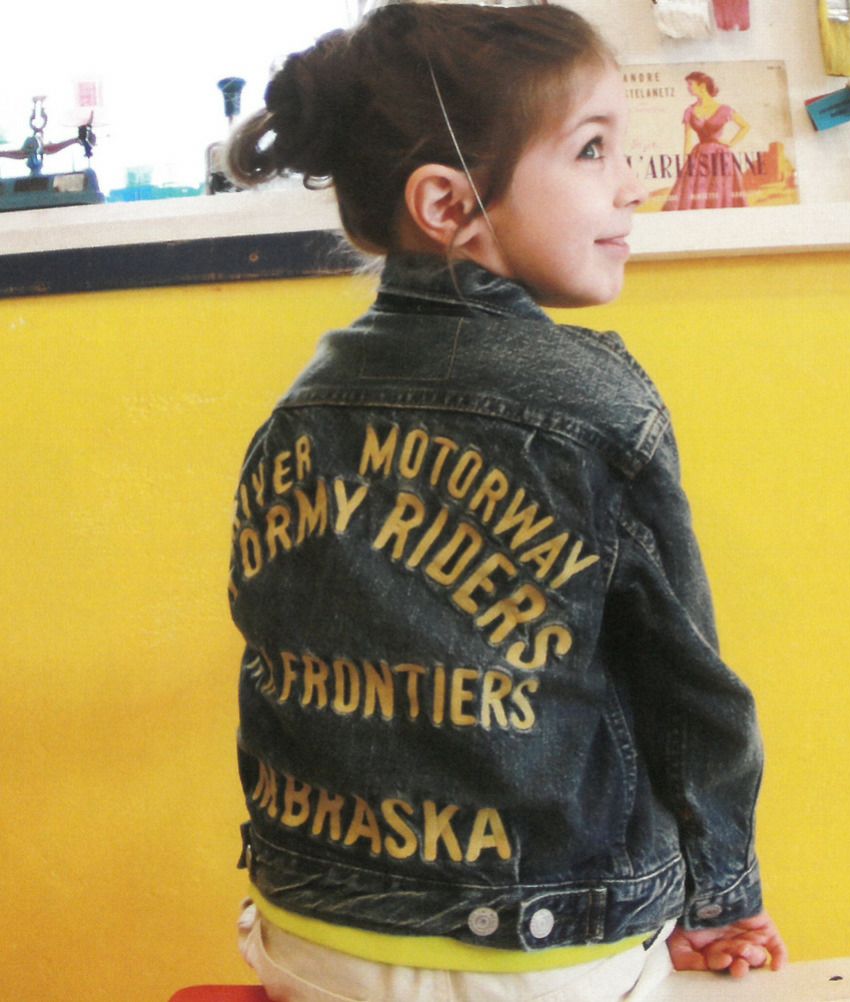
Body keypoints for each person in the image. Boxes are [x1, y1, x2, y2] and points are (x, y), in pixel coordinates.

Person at [225, 4, 786, 1000]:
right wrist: (722, 896)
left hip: (308, 935)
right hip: (543, 955)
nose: (631, 183)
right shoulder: (597, 405)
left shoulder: (299, 409)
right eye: (592, 149)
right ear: (448, 204)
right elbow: (691, 698)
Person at [663, 71, 750, 211]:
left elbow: (745, 126)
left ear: (702, 86)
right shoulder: (689, 111)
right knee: (696, 195)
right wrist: (686, 161)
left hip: (721, 158)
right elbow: (687, 139)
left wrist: (731, 143)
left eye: (690, 84)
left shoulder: (725, 109)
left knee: (720, 192)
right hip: (698, 157)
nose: (688, 88)